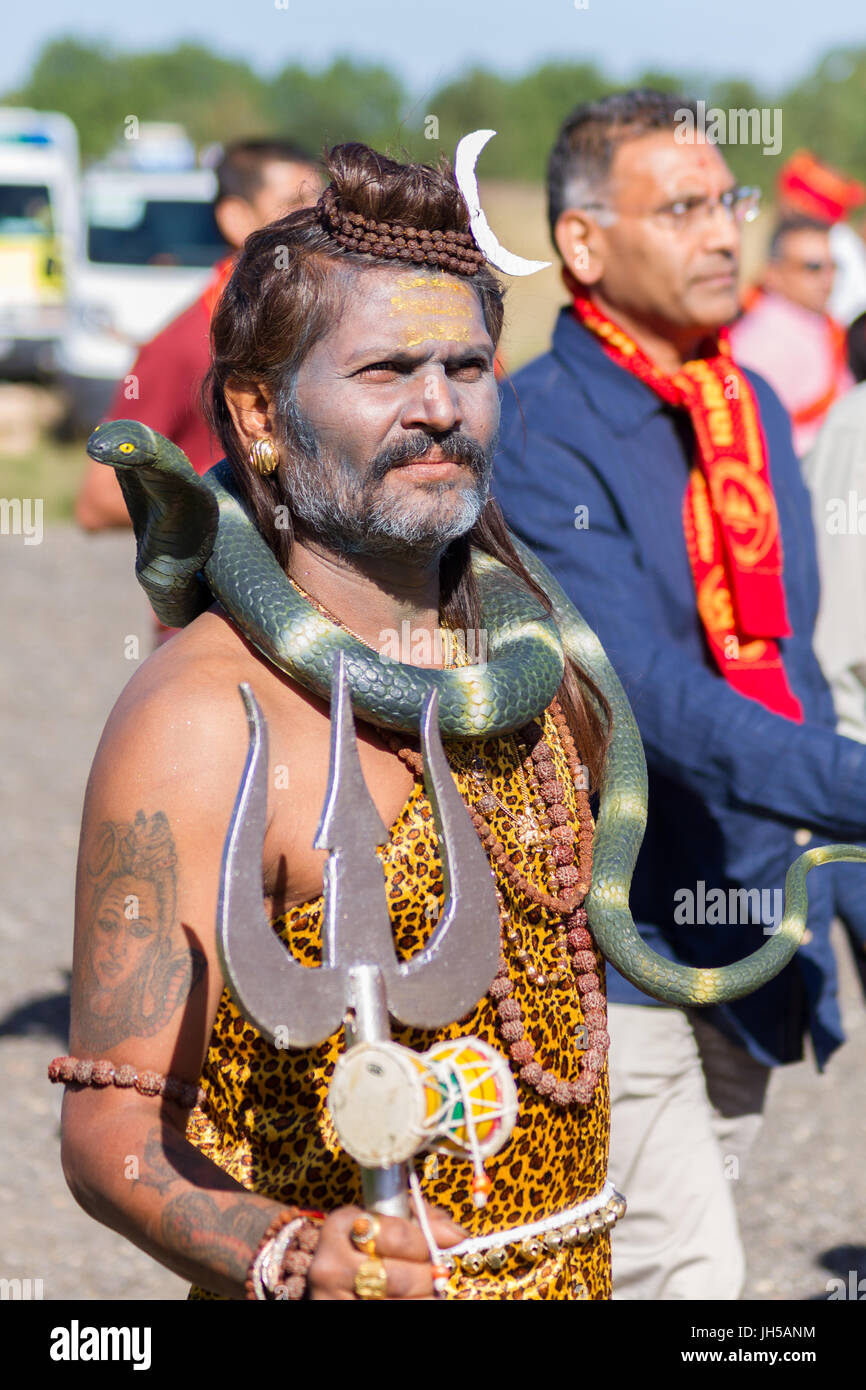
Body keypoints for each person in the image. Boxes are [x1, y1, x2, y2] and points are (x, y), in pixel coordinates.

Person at [57, 143, 621, 1302]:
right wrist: (290, 1253)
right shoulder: (203, 719)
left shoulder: (534, 669)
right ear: (258, 413)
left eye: (466, 365)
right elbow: (111, 1129)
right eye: (385, 370)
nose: (436, 407)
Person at [492, 90, 866, 1300]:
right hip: (614, 924)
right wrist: (849, 787)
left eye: (727, 202)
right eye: (682, 208)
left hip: (754, 914)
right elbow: (638, 691)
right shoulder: (534, 433)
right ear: (585, 243)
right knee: (686, 1273)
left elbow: (789, 666)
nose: (721, 235)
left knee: (654, 1252)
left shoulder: (745, 407)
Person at [75, 139, 322, 531]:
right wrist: (231, 504)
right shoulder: (185, 344)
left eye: (321, 208)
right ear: (237, 218)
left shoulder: (327, 328)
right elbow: (98, 500)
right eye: (295, 206)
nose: (316, 223)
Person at [730, 215, 853, 456]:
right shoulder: (760, 340)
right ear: (773, 273)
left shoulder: (820, 324)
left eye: (833, 266)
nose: (827, 279)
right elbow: (742, 429)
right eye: (812, 267)